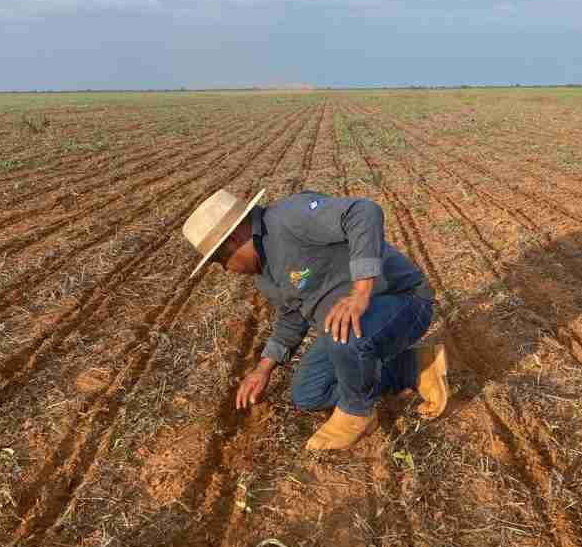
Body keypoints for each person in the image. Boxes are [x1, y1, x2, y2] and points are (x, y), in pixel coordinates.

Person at [182, 188, 449, 450]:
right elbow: (291, 318)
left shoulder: (289, 217)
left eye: (219, 260)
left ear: (233, 238)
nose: (226, 269)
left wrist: (360, 292)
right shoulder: (264, 278)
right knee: (308, 393)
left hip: (405, 301)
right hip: (346, 329)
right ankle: (413, 366)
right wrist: (263, 369)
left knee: (343, 335)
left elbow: (363, 211)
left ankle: (357, 412)